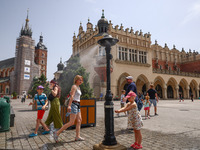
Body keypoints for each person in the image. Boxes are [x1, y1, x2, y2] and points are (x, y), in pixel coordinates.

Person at [53, 75, 84, 142]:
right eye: (80, 80)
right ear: (76, 80)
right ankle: (57, 133)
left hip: (78, 104)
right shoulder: (74, 86)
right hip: (74, 104)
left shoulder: (79, 87)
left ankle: (77, 136)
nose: (81, 81)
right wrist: (69, 106)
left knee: (79, 120)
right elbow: (72, 96)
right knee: (71, 122)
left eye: (81, 80)